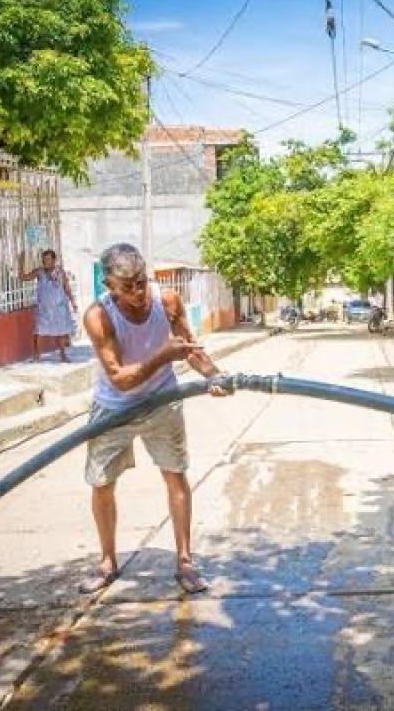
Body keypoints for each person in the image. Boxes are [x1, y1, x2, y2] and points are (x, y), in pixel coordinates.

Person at [80, 243, 231, 595]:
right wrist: (162, 356)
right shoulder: (98, 316)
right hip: (114, 407)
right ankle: (107, 561)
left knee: (175, 476)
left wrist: (214, 376)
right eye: (126, 287)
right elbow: (120, 378)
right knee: (102, 483)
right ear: (109, 286)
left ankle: (184, 561)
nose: (136, 293)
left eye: (141, 283)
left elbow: (190, 350)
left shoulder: (168, 302)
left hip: (164, 400)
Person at [19, 249, 78, 363]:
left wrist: (73, 302)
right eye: (44, 259)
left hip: (59, 308)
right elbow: (23, 277)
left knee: (60, 332)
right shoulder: (39, 272)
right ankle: (37, 356)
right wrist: (21, 262)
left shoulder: (60, 272)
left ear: (54, 260)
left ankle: (62, 355)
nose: (45, 262)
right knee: (39, 332)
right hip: (44, 309)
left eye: (48, 259)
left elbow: (67, 287)